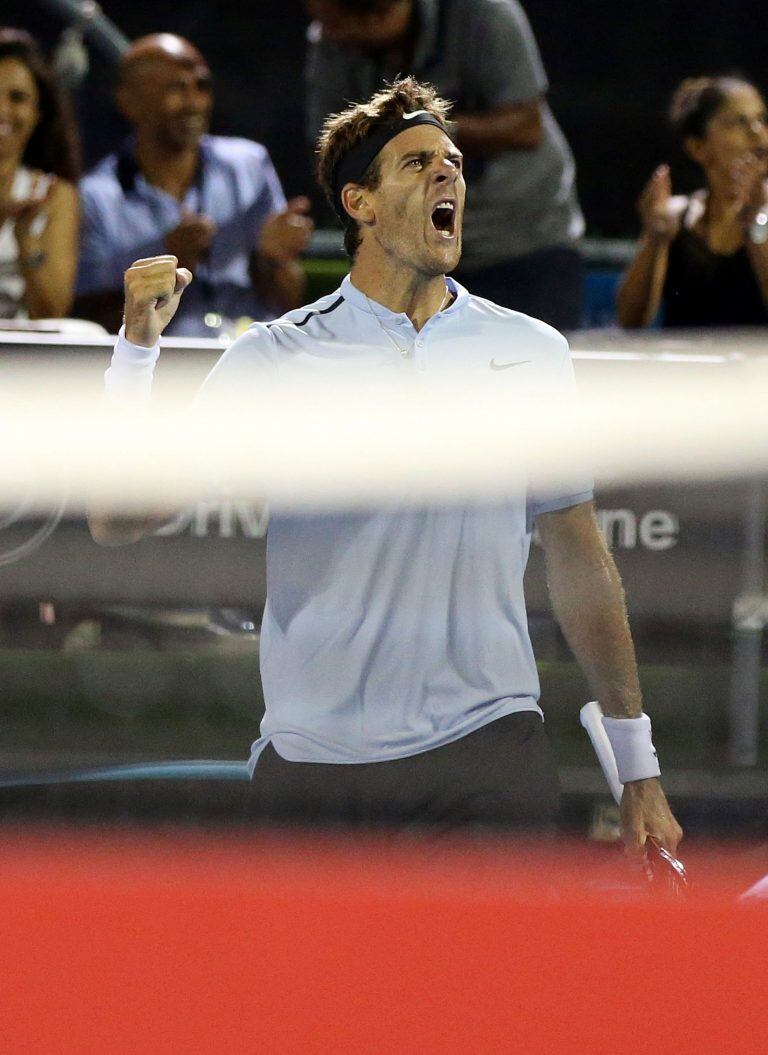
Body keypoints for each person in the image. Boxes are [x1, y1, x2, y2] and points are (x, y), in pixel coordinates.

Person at [92, 77, 681, 852]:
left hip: (488, 752)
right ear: (360, 204)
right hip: (314, 771)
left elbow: (577, 554)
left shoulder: (531, 352)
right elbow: (117, 518)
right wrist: (135, 352)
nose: (448, 176)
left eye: (455, 164)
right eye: (416, 164)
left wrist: (638, 770)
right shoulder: (274, 357)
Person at [303, 0, 585, 331]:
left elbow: (525, 126)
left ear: (384, 12)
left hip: (522, 242)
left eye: (339, 22)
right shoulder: (333, 41)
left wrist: (413, 134)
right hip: (411, 254)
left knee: (525, 374)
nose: (329, 33)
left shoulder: (483, 12)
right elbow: (330, 152)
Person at [75, 34, 314, 337]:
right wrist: (163, 272)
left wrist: (271, 260)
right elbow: (91, 326)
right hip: (162, 367)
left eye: (201, 87)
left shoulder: (249, 163)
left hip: (253, 359)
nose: (193, 103)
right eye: (176, 88)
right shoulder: (97, 197)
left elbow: (289, 301)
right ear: (129, 102)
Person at [617, 77, 768, 329]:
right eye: (738, 122)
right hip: (688, 368)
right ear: (698, 147)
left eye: (762, 119)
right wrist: (656, 238)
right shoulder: (676, 216)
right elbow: (631, 322)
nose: (756, 131)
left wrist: (756, 222)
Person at [0, 28, 80, 319]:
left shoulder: (55, 195)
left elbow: (51, 313)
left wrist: (26, 242)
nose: (2, 109)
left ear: (38, 113)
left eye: (17, 98)